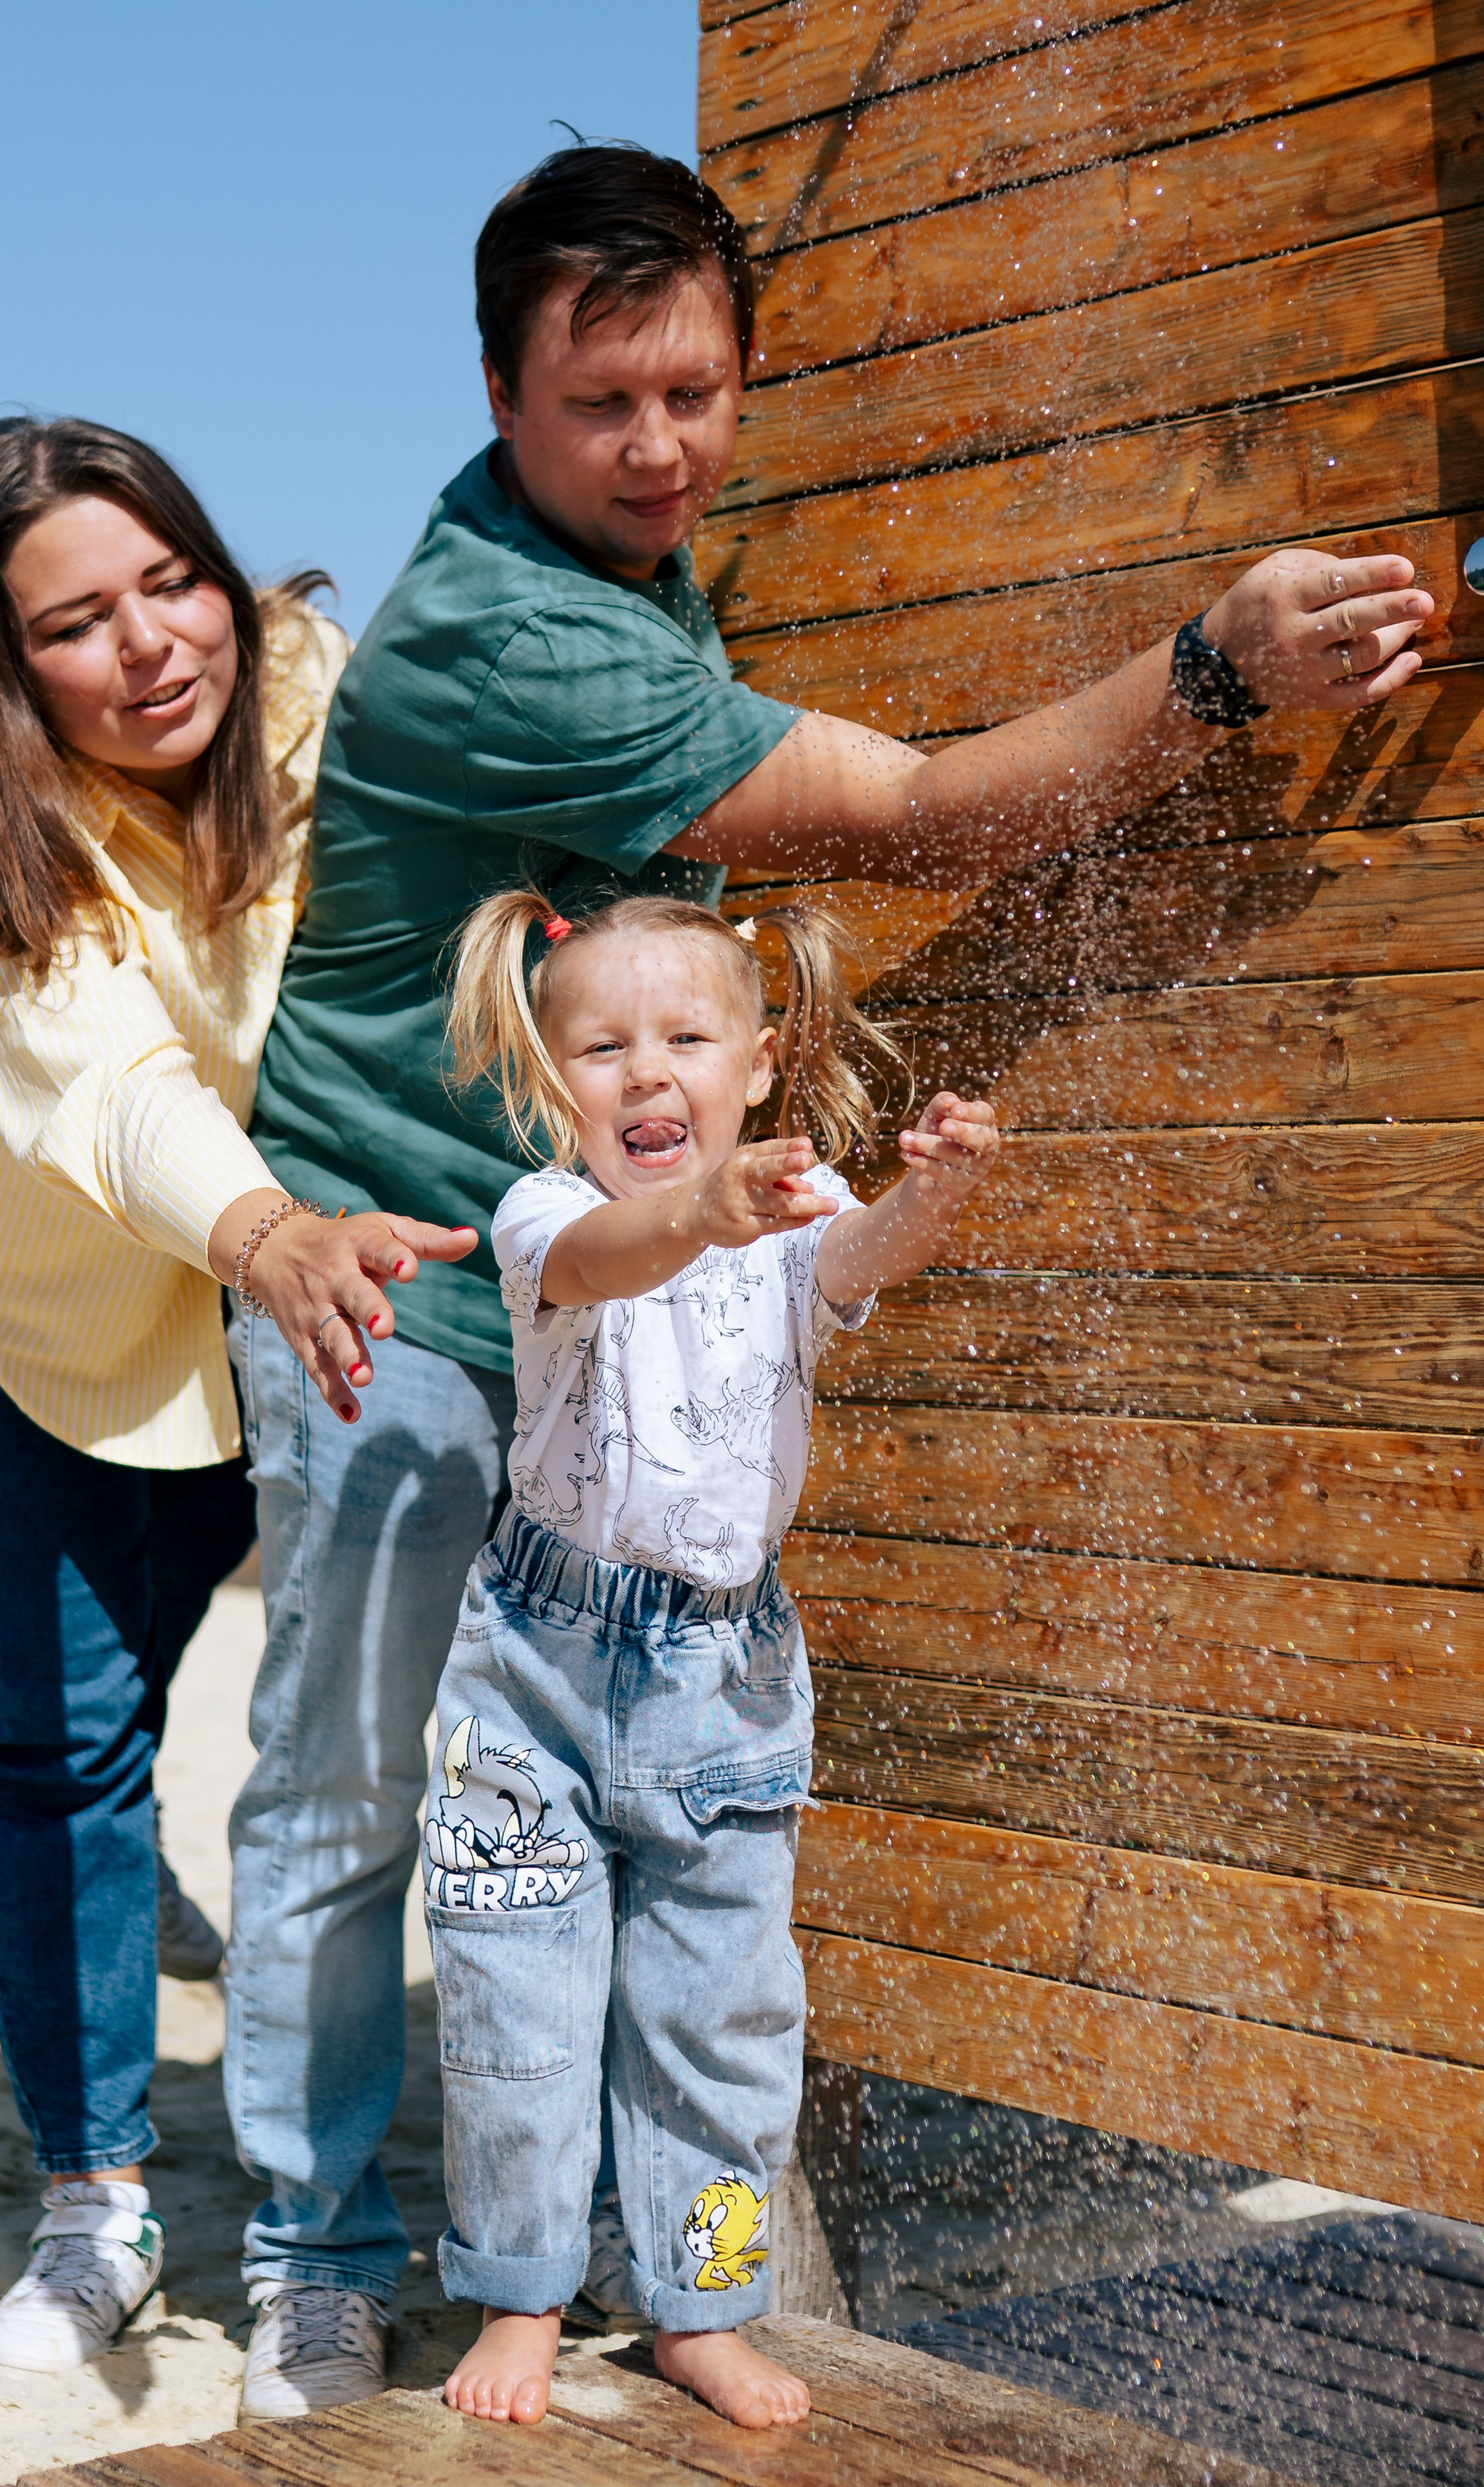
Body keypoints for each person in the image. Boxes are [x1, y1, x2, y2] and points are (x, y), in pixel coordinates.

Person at [223, 143, 1432, 2419]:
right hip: (408, 1286)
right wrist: (1212, 669)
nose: (660, 445)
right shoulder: (521, 632)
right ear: (502, 395)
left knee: (586, 1808)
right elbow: (913, 819)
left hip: (614, 1301)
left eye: (696, 390)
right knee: (357, 1792)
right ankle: (307, 2258)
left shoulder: (629, 562)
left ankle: (619, 2256)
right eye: (603, 404)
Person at [0, 416, 474, 2377]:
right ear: (6, 669)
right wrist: (264, 1233)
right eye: (79, 624)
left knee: (174, 1677)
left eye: (171, 578)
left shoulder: (312, 695)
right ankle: (94, 2202)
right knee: (52, 1731)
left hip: (241, 1282)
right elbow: (112, 1090)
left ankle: (129, 1889)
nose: (155, 645)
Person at [428, 885, 996, 2428]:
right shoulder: (546, 1217)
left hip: (721, 1682)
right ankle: (522, 2296)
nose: (645, 1073)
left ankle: (701, 2308)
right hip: (533, 1678)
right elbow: (619, 1256)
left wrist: (933, 1190)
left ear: (757, 1065)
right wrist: (702, 1210)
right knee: (517, 2014)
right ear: (554, 1086)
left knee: (715, 2025)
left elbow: (868, 1256)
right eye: (600, 1048)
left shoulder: (796, 1228)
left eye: (686, 1037)